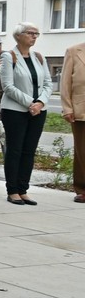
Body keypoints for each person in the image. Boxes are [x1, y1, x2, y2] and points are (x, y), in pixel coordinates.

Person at [0, 22, 53, 205]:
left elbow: (48, 83)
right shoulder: (9, 56)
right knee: (15, 150)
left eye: (36, 34)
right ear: (19, 35)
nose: (34, 36)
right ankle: (12, 190)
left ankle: (23, 189)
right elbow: (7, 86)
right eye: (31, 33)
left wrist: (40, 103)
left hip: (38, 111)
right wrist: (30, 102)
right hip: (15, 111)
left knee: (29, 151)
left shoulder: (38, 57)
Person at [62, 41, 85, 204]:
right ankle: (82, 188)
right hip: (80, 109)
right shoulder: (73, 51)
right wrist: (67, 108)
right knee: (82, 151)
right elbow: (65, 83)